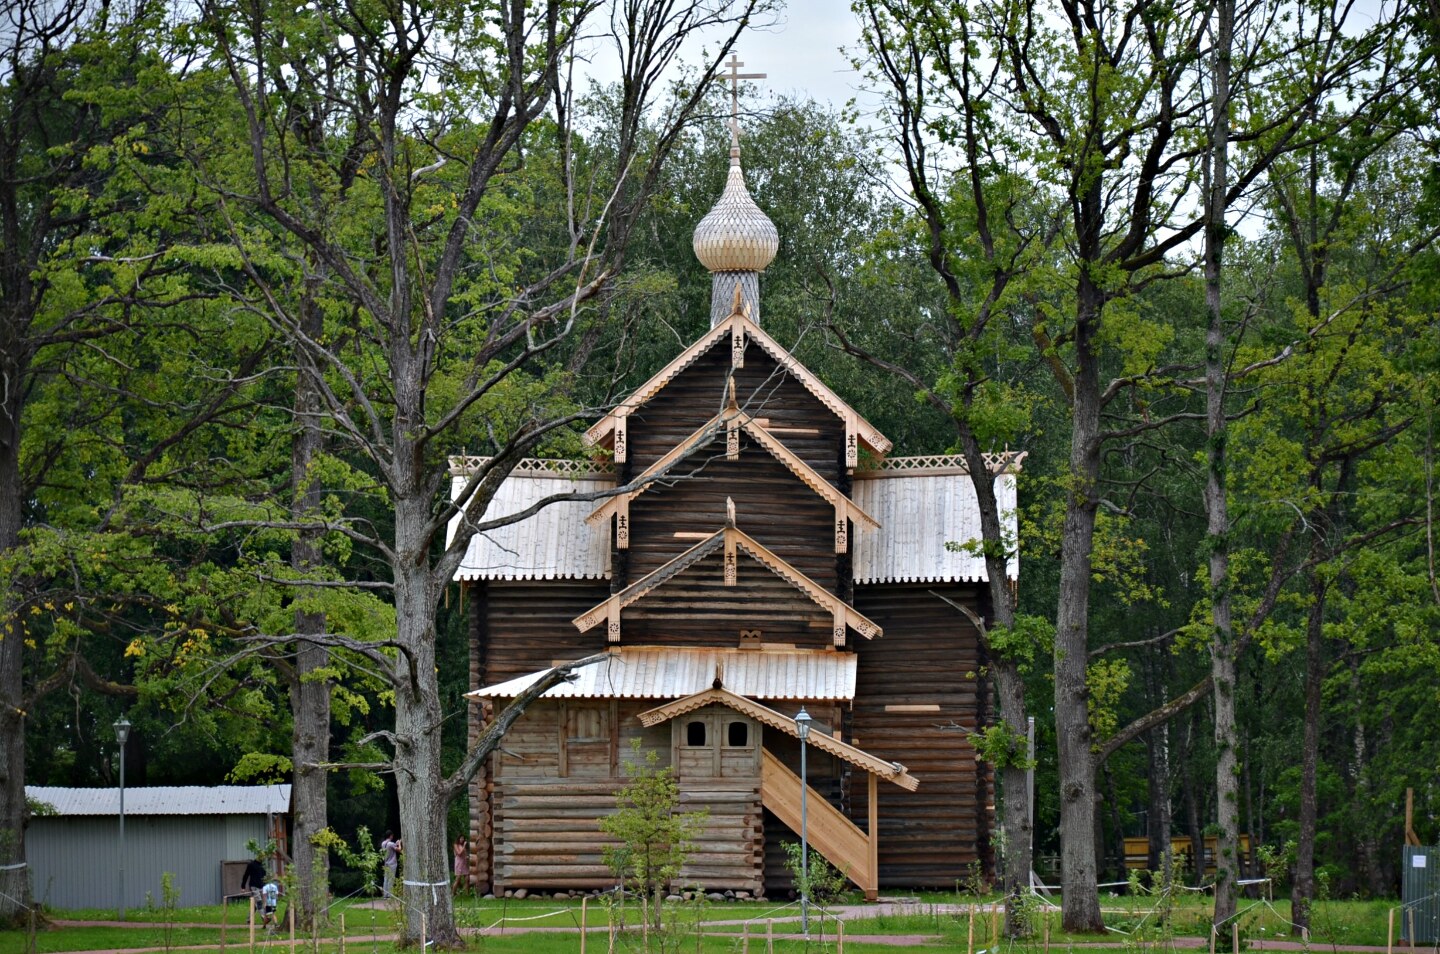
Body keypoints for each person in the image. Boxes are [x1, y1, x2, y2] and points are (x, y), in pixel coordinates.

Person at [380, 831, 401, 897]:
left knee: (386, 879)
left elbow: (391, 848)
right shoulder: (391, 844)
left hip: (386, 863)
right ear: (390, 835)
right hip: (392, 863)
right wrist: (399, 843)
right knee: (391, 879)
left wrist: (396, 844)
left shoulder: (383, 843)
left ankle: (385, 894)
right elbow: (399, 850)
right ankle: (390, 895)